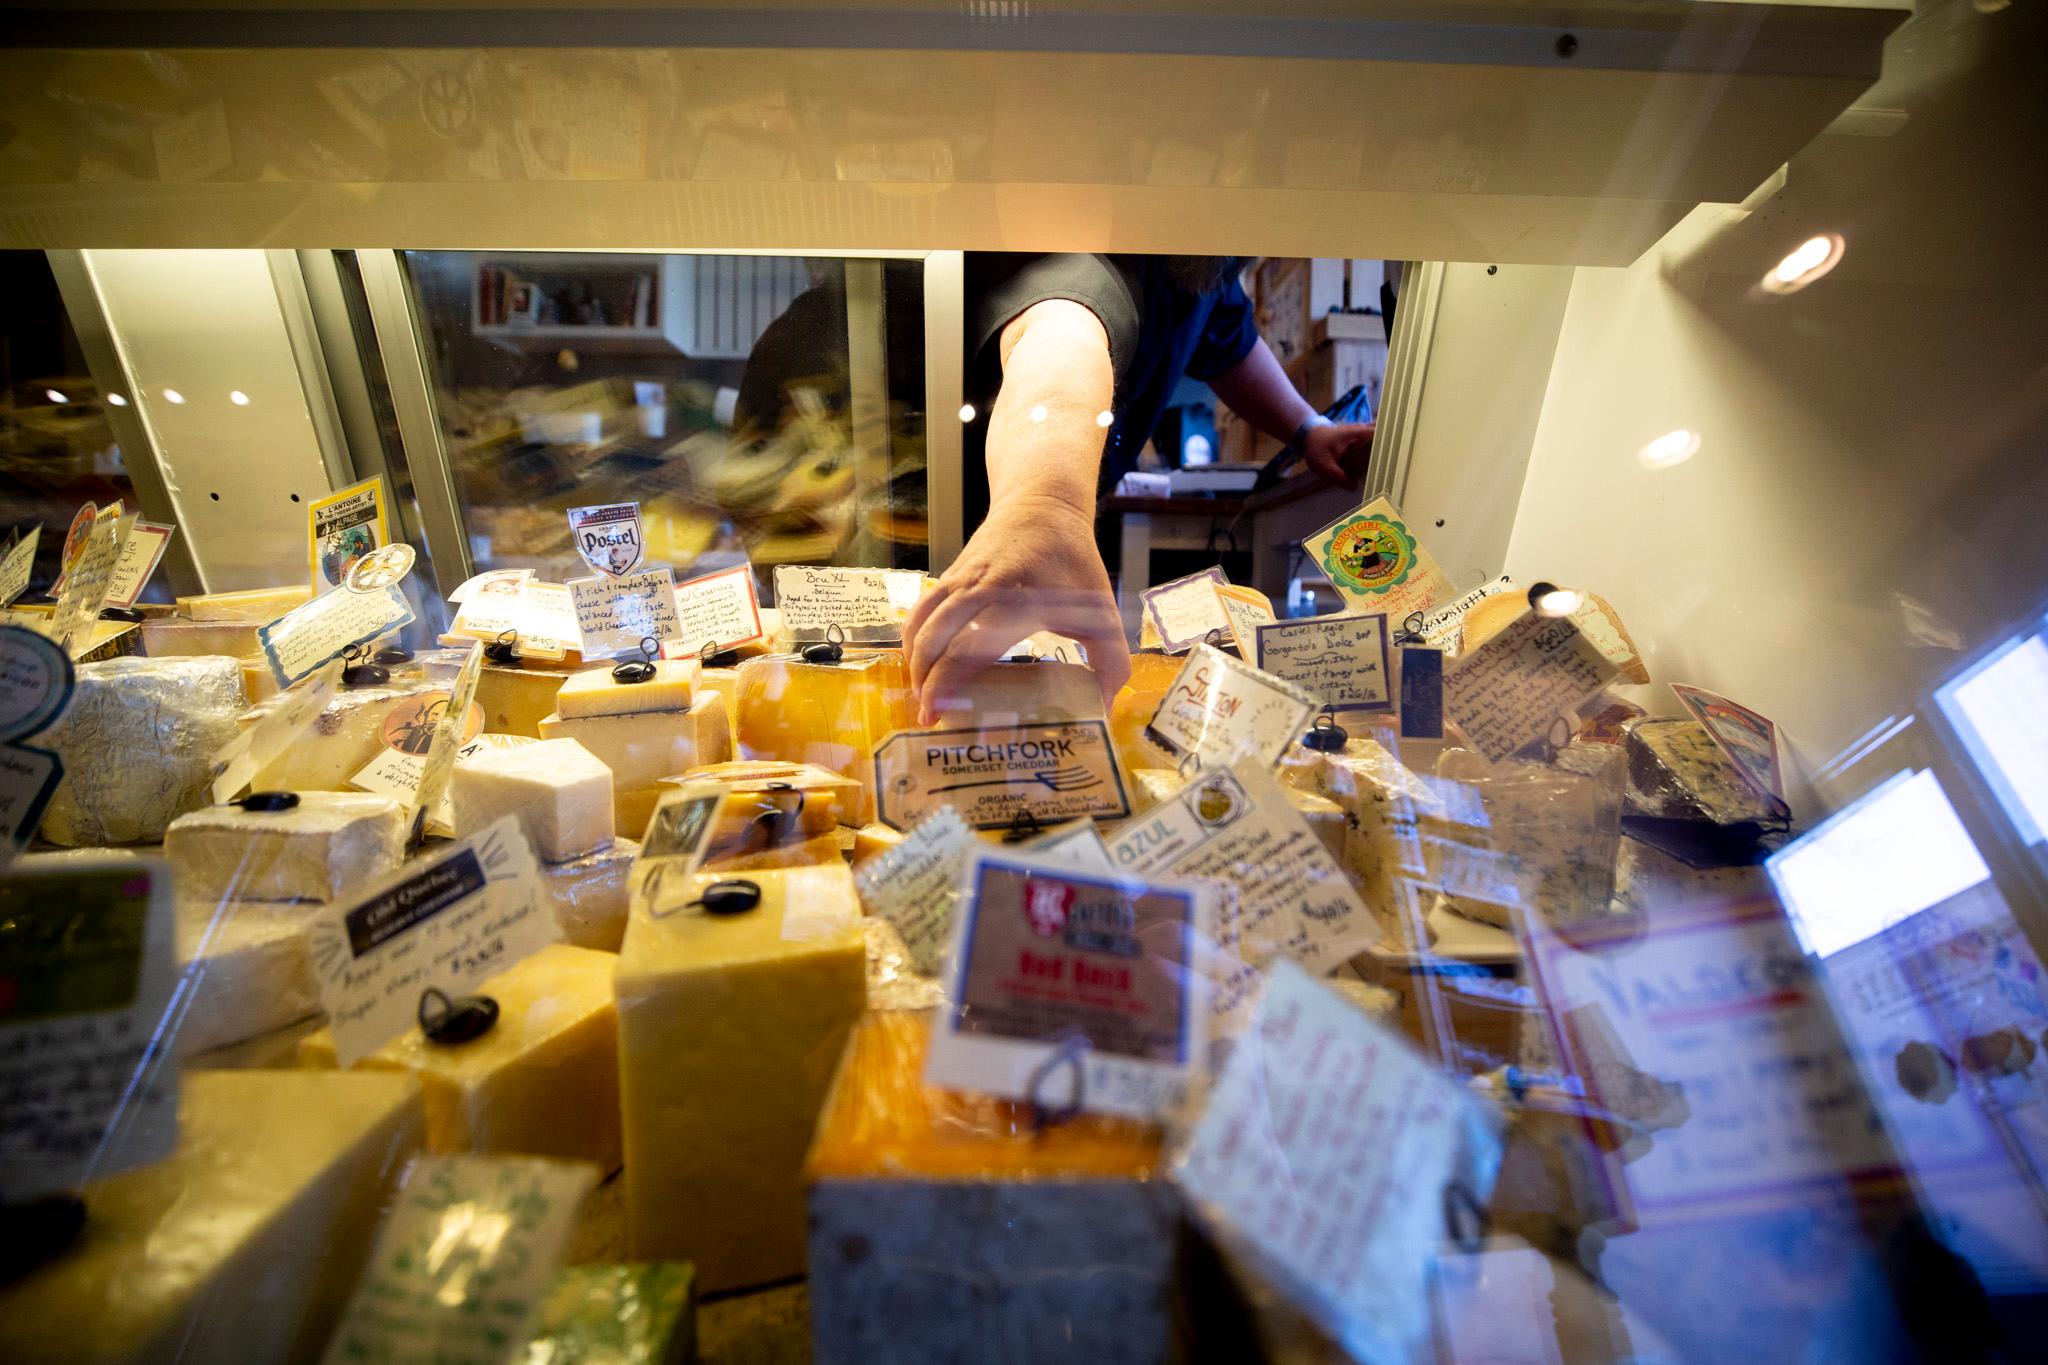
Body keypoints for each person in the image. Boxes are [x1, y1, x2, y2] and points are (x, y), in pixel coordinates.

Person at [904, 253, 1376, 722]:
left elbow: (1232, 346)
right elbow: (1065, 330)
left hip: (1033, 553)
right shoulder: (1113, 247)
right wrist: (1044, 507)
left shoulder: (1207, 263)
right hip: (965, 531)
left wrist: (1307, 430)